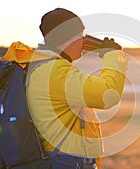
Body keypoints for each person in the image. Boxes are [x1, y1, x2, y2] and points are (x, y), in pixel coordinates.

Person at [24, 8, 128, 169]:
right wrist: (113, 55)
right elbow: (108, 94)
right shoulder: (55, 71)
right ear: (67, 38)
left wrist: (100, 48)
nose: (85, 40)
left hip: (62, 159)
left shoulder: (44, 66)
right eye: (81, 35)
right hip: (65, 161)